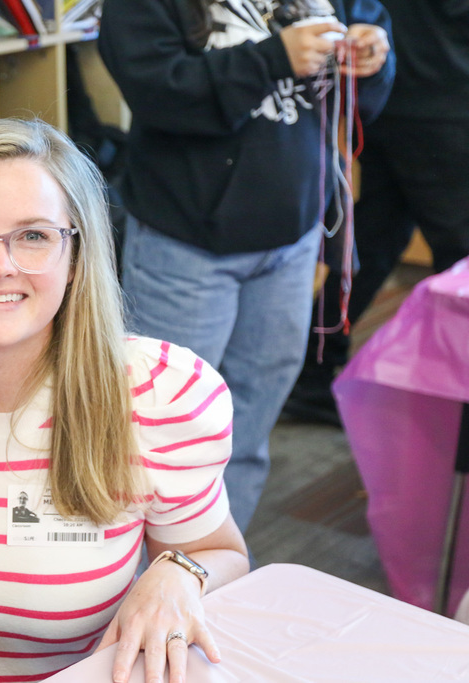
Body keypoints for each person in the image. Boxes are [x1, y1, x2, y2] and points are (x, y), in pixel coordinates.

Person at [0, 118, 250, 683]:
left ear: (76, 260)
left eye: (34, 237)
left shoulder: (156, 394)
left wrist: (178, 573)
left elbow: (224, 554)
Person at [97, 0, 395, 534]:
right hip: (185, 242)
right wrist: (272, 58)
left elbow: (368, 58)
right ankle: (142, 573)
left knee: (248, 428)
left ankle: (220, 562)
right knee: (157, 429)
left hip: (292, 238)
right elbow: (156, 90)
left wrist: (372, 57)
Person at [284, 0, 469, 425]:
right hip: (433, 99)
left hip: (399, 92)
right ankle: (454, 410)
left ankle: (311, 372)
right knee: (459, 268)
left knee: (374, 241)